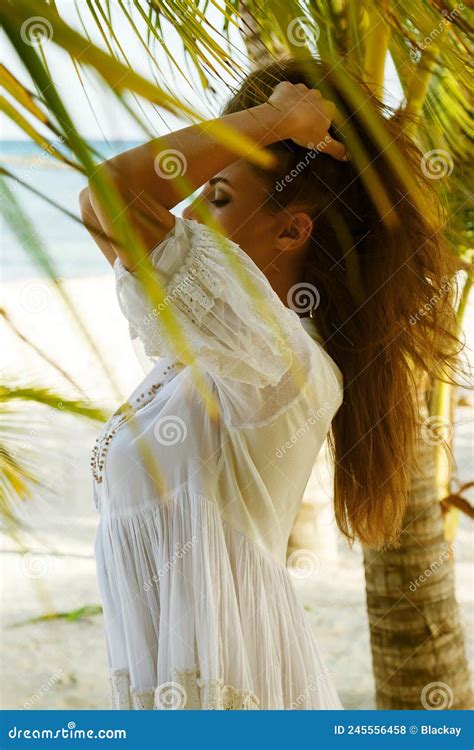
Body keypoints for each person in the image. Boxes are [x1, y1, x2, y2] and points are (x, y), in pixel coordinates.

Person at [79, 57, 461, 710]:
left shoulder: (283, 361)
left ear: (292, 230)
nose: (189, 207)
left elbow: (107, 199)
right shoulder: (211, 353)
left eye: (217, 193)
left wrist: (279, 119)